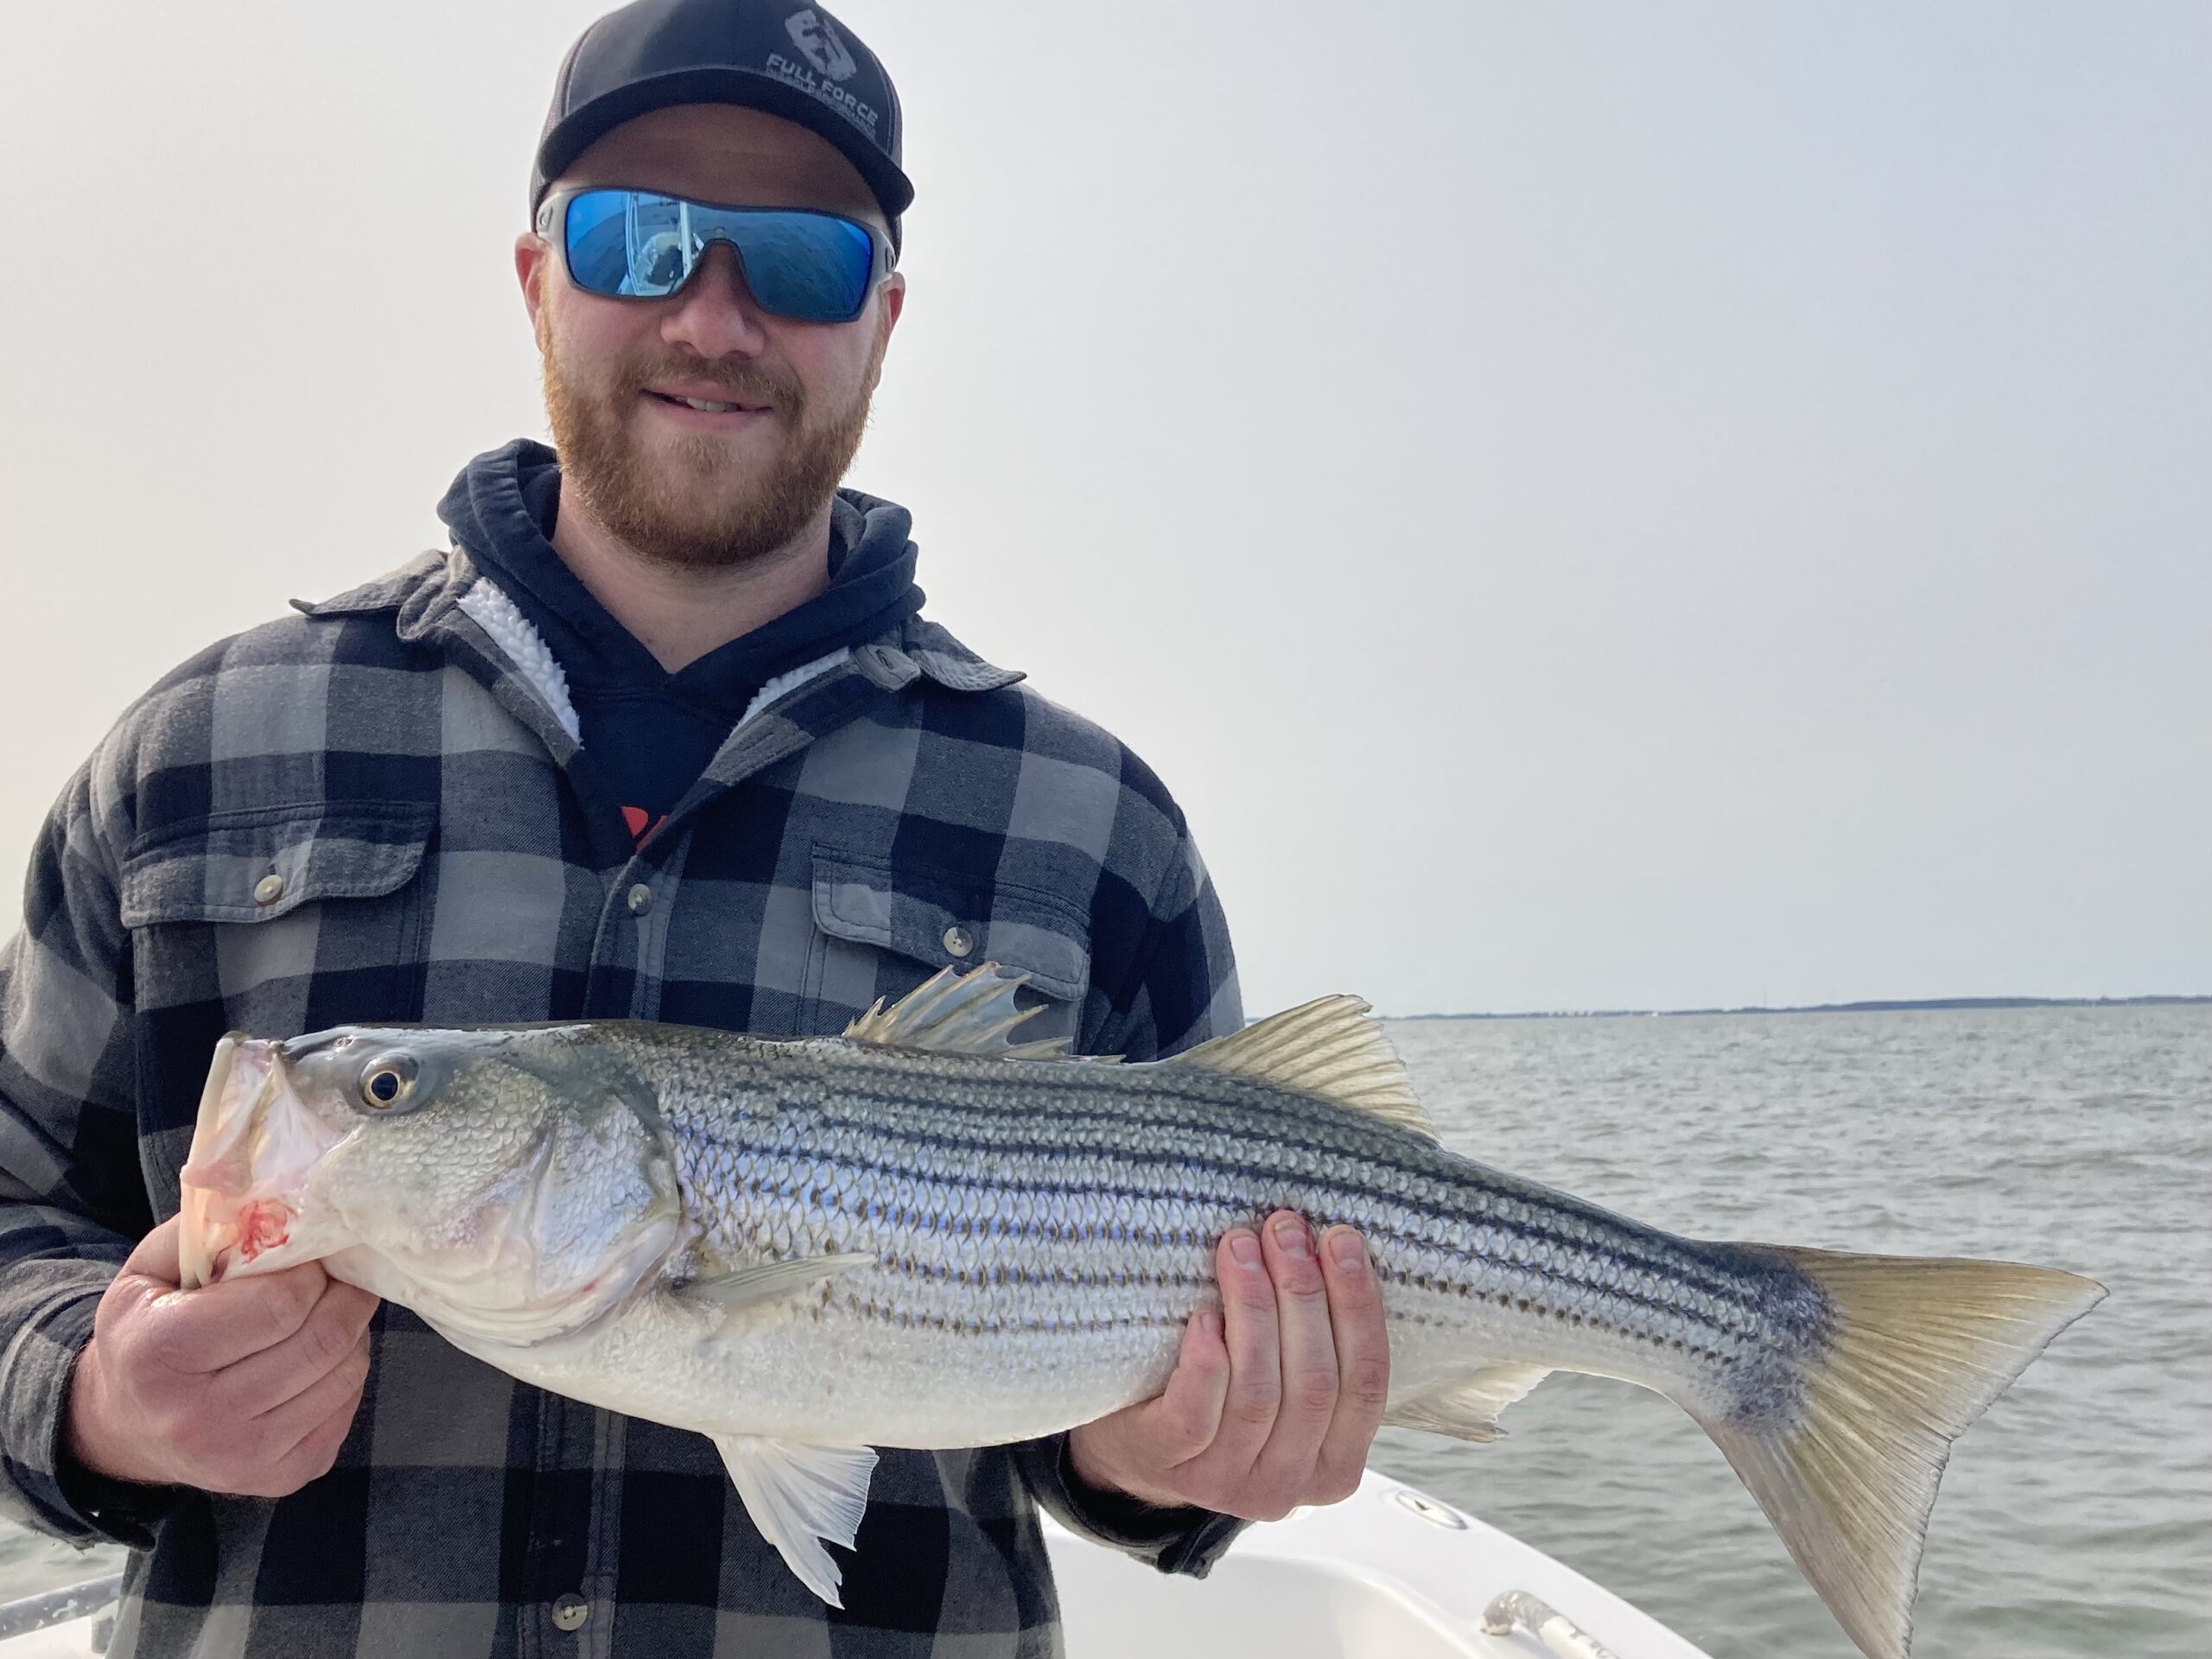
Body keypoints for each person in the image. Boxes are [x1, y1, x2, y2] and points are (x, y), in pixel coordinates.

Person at [0, 1, 1391, 1652]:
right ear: (538, 281)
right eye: (636, 238)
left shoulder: (1091, 822)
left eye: (799, 261)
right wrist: (92, 1396)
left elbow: (1140, 1412)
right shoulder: (203, 751)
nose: (712, 315)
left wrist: (1173, 1464)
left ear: (880, 320)